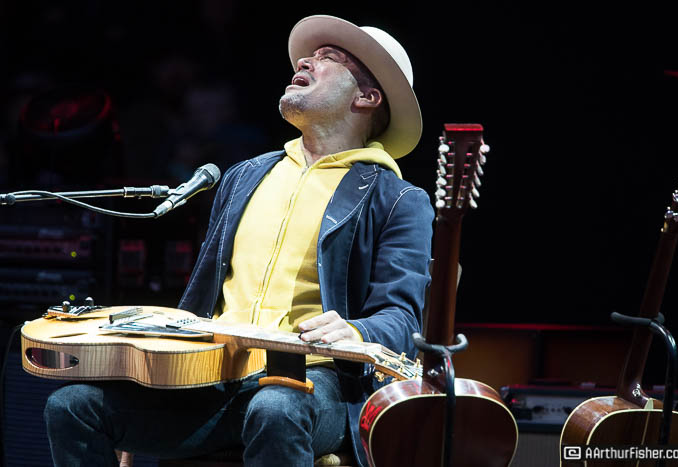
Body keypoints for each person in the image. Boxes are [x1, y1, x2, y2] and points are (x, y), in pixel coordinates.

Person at [44, 15, 433, 467]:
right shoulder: (244, 176)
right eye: (309, 55)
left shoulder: (398, 199)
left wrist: (358, 330)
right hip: (212, 379)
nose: (305, 61)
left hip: (318, 382)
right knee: (72, 405)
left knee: (275, 407)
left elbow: (402, 319)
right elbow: (202, 294)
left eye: (329, 58)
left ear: (366, 98)